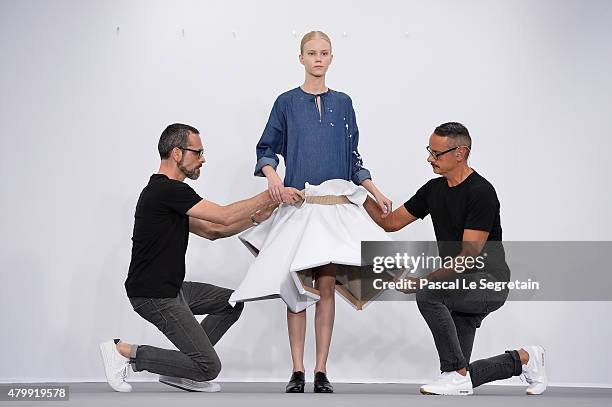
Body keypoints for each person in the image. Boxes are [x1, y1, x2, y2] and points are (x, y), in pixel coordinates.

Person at [229, 31, 392, 393]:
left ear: (332, 58)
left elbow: (353, 158)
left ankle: (321, 371)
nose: (318, 59)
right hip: (299, 207)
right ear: (300, 57)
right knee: (295, 290)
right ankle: (296, 370)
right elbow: (267, 148)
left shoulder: (345, 103)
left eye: (324, 53)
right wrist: (272, 177)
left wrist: (375, 191)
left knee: (327, 288)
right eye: (311, 53)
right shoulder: (286, 102)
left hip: (333, 210)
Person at [99, 123, 303, 393]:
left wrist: (255, 217)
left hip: (172, 289)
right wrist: (272, 193)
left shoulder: (166, 196)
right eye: (198, 152)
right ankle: (124, 352)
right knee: (208, 367)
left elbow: (214, 230)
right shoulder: (167, 190)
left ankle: (181, 371)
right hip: (153, 294)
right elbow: (224, 215)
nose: (203, 159)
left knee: (230, 303)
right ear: (176, 153)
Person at [364, 122, 547, 396]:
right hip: (459, 284)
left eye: (436, 153)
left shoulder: (481, 192)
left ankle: (453, 372)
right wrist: (355, 195)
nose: (429, 158)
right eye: (429, 151)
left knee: (428, 294)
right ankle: (525, 358)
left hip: (488, 283)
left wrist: (423, 282)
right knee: (463, 375)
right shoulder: (433, 190)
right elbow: (389, 223)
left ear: (460, 153)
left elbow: (469, 256)